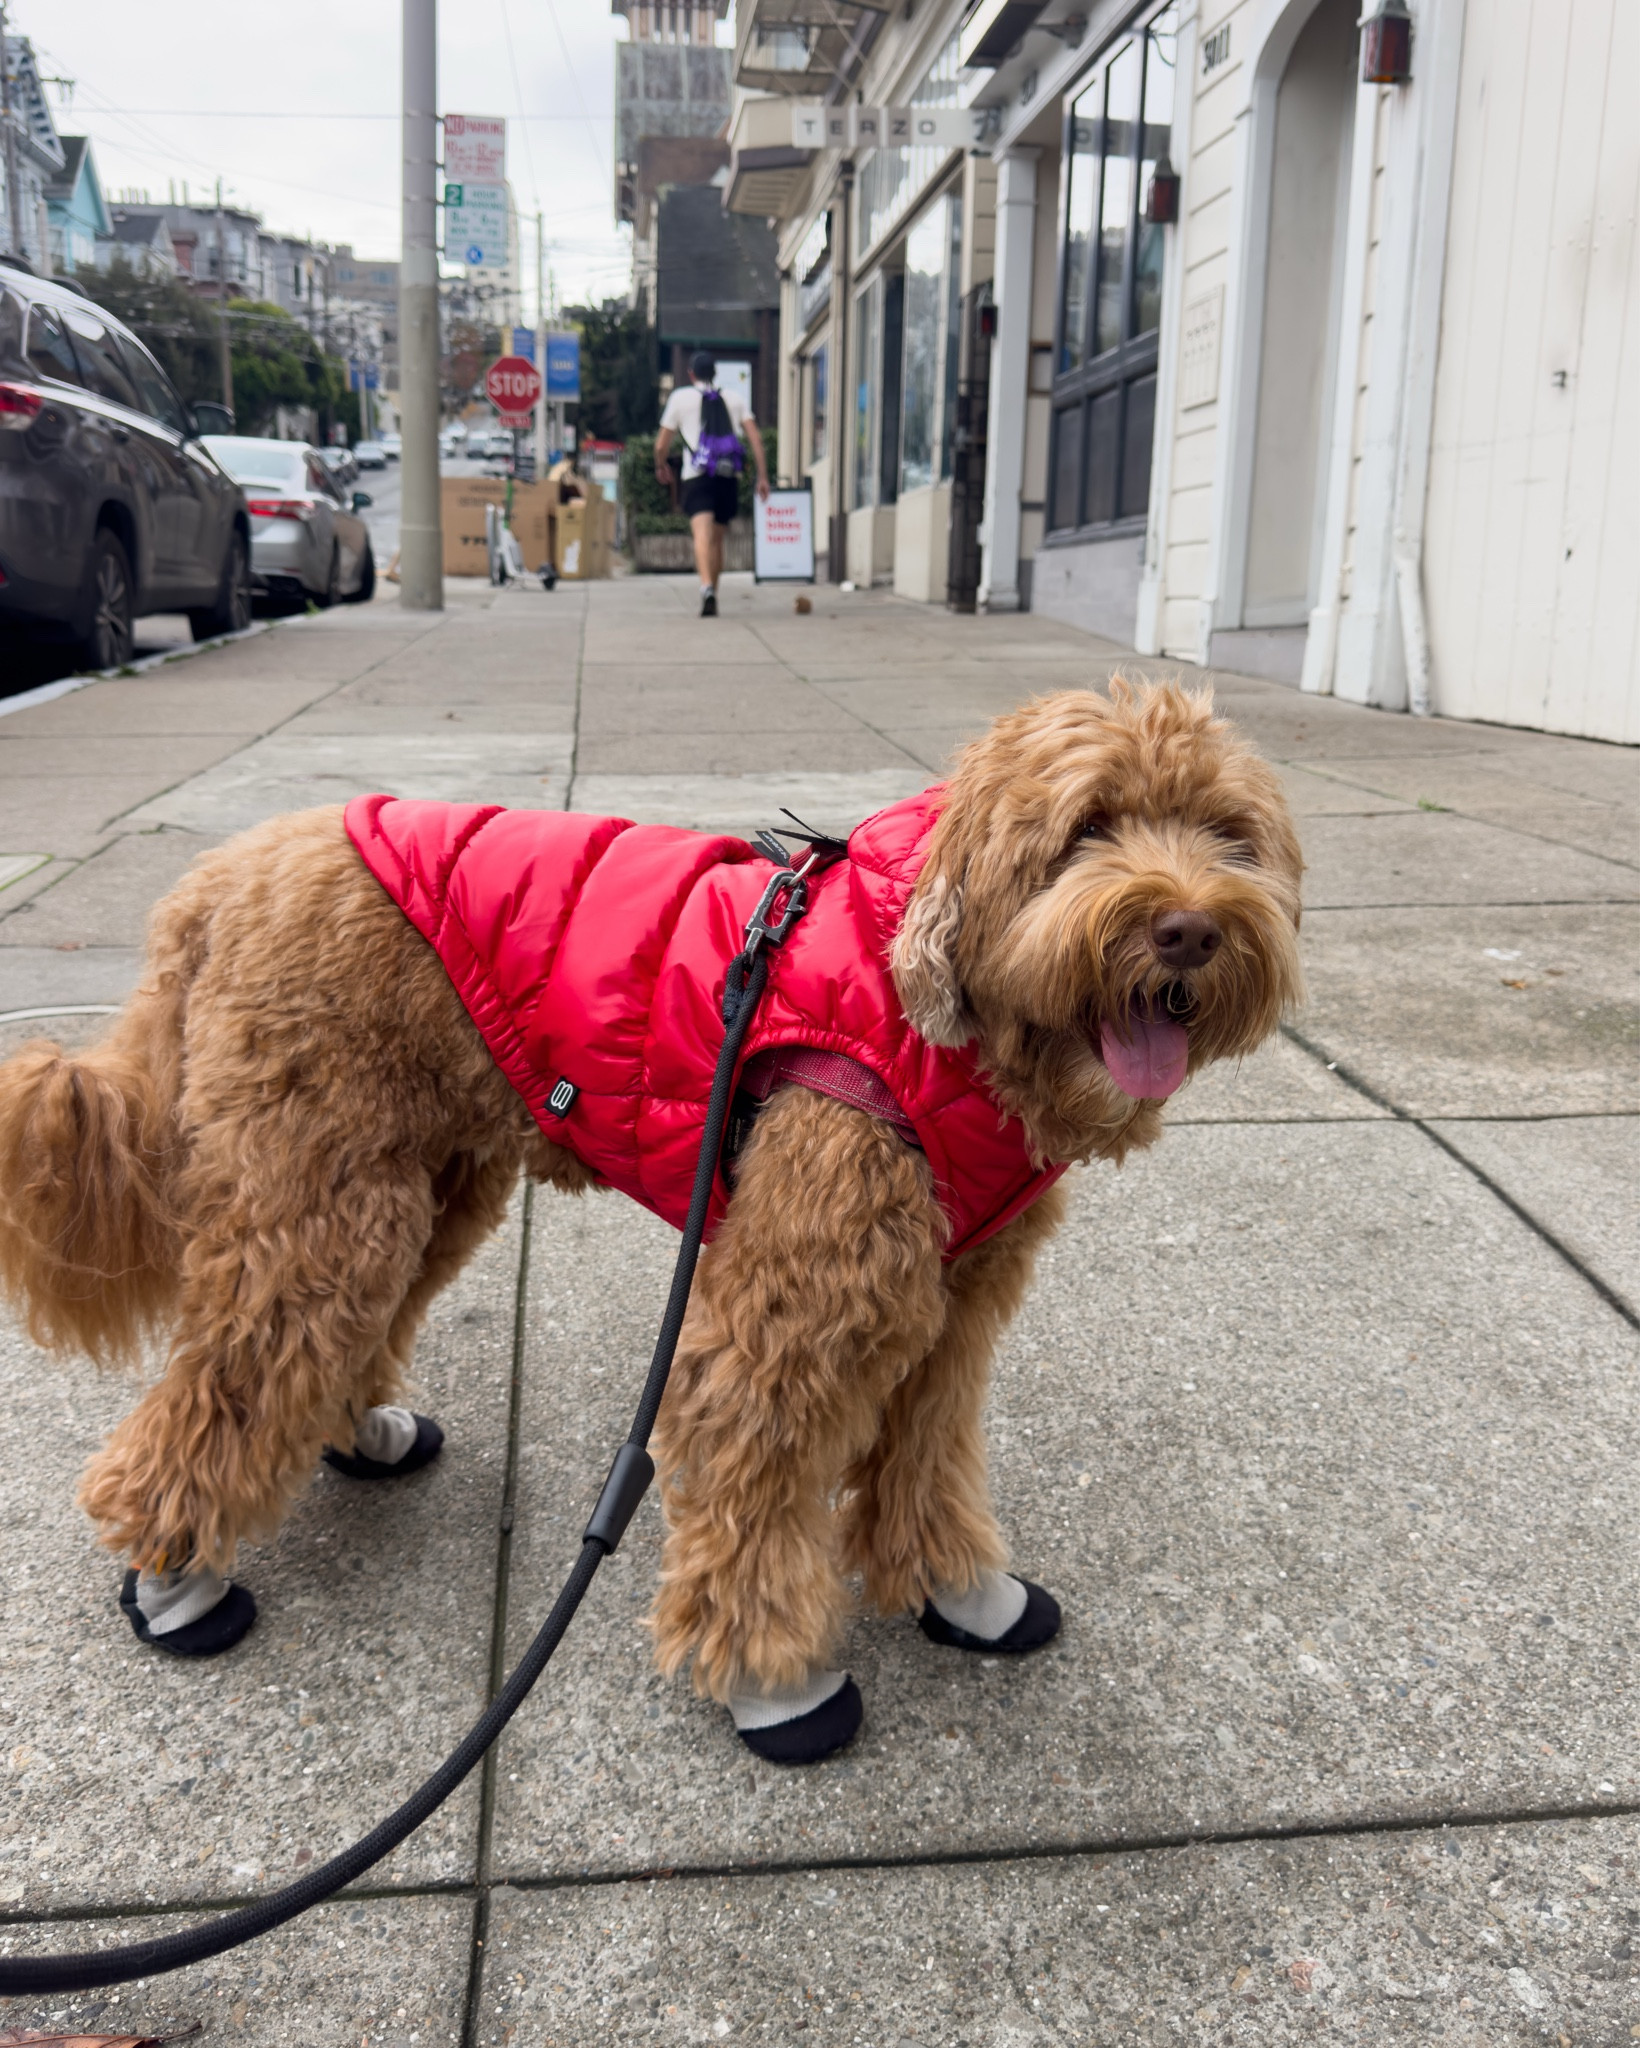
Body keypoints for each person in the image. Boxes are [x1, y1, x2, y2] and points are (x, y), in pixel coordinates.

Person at [654, 352, 770, 617]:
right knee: (717, 540)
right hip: (727, 476)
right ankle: (713, 592)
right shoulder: (735, 398)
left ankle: (706, 587)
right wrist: (762, 477)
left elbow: (662, 443)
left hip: (697, 476)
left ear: (691, 374)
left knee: (701, 535)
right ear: (715, 374)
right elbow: (755, 439)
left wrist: (660, 465)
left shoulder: (680, 398)